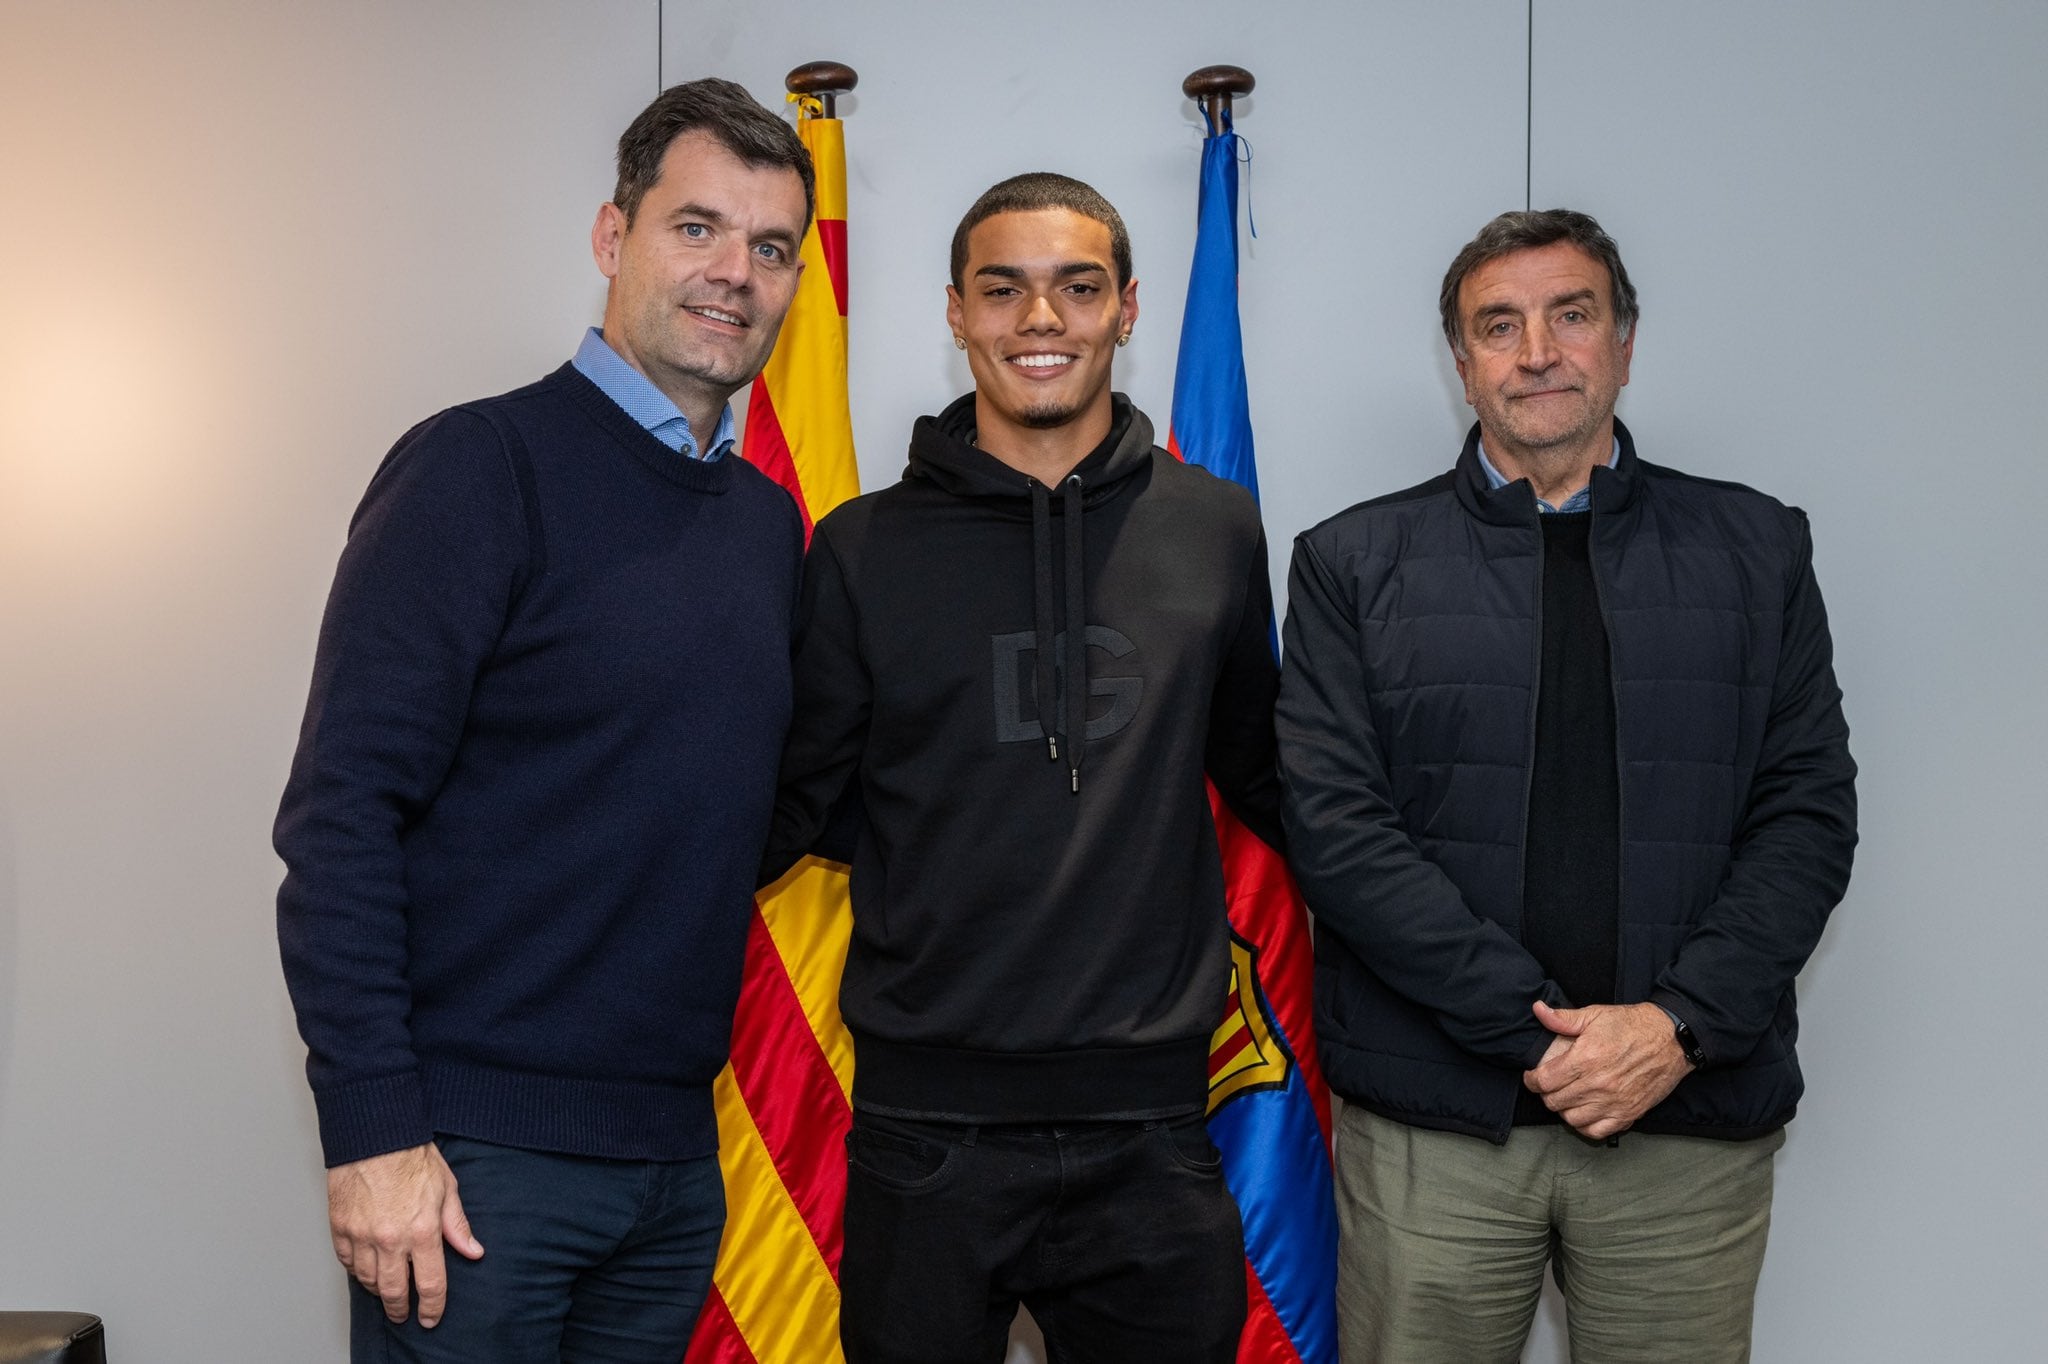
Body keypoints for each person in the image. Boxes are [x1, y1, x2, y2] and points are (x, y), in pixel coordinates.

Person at [274, 78, 812, 1361]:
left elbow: (739, 808)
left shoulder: (763, 527)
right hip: (471, 1169)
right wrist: (372, 1131)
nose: (734, 272)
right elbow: (340, 815)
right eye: (696, 228)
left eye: (770, 247)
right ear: (610, 235)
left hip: (672, 1169)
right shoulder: (478, 466)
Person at [1276, 208, 1857, 1363]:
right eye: (1498, 324)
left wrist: (1672, 1026)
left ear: (1624, 342)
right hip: (1435, 1127)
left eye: (1569, 314)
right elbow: (1336, 832)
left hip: (1681, 1119)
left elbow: (1805, 815)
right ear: (1461, 364)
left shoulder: (1755, 548)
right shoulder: (1349, 562)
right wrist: (1533, 1036)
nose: (1535, 349)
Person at [763, 172, 1279, 1363]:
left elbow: (1268, 774)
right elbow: (805, 800)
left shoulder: (1214, 530)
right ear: (954, 311)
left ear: (1128, 308)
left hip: (1152, 1125)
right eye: (1002, 290)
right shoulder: (858, 550)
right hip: (925, 1129)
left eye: (1075, 287)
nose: (1038, 319)